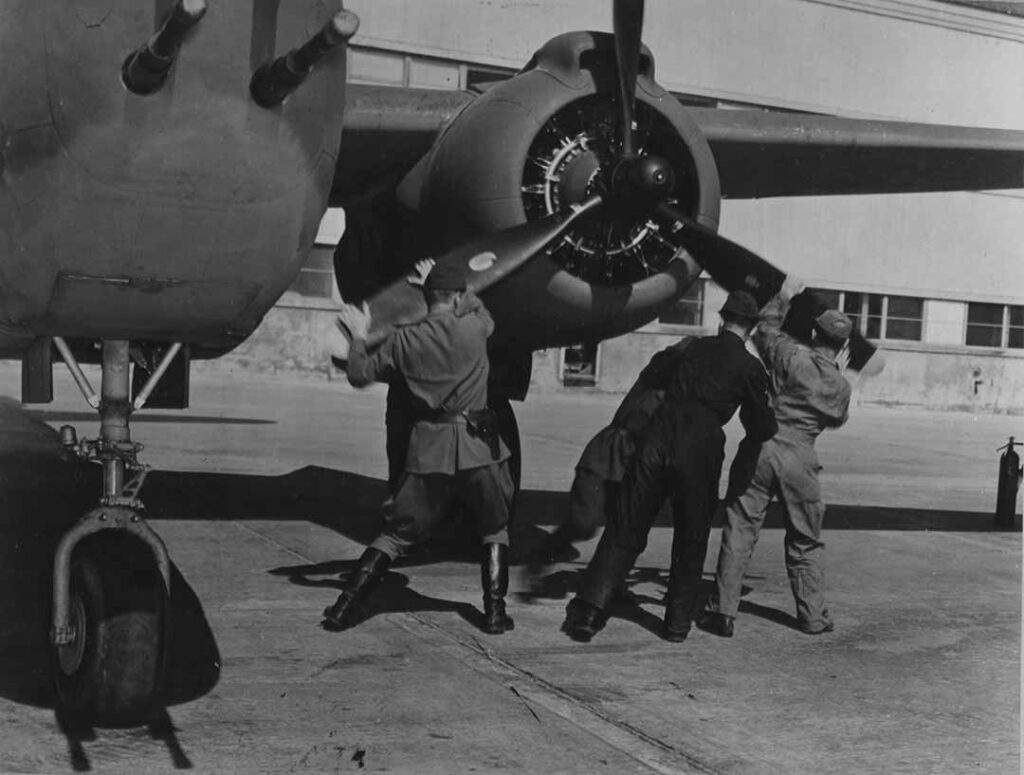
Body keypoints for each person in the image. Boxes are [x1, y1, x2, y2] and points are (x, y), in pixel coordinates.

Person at [563, 290, 778, 643]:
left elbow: (655, 370)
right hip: (701, 446)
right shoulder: (750, 367)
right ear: (751, 328)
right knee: (692, 535)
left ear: (721, 319)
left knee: (626, 524)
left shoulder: (691, 348)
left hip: (657, 436)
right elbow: (759, 427)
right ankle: (676, 624)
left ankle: (588, 611)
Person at [321, 258, 517, 635]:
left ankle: (344, 607)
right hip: (479, 448)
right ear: (457, 296)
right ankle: (494, 614)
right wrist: (443, 281)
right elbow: (477, 304)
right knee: (495, 528)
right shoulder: (475, 327)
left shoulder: (403, 338)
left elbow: (360, 374)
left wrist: (360, 334)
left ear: (427, 298)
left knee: (396, 534)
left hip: (429, 450)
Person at [701, 277, 852, 638]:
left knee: (740, 527)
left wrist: (784, 297)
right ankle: (812, 616)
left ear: (815, 335)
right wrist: (834, 374)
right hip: (800, 456)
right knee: (805, 538)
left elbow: (764, 330)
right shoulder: (840, 385)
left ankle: (722, 611)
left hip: (761, 448)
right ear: (843, 345)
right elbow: (836, 418)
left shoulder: (789, 355)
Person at [536, 338, 694, 562]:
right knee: (584, 523)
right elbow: (665, 361)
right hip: (606, 455)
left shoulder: (674, 396)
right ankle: (545, 554)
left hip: (632, 464)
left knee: (625, 533)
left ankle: (611, 587)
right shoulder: (654, 381)